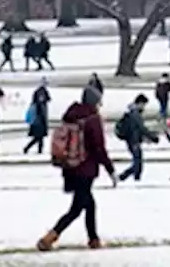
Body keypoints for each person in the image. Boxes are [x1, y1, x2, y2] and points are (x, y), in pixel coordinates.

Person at [38, 86, 116, 251]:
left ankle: (93, 239)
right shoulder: (92, 119)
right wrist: (110, 169)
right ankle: (49, 237)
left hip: (70, 167)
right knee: (77, 208)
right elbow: (98, 148)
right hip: (85, 169)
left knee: (89, 204)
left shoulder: (71, 115)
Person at [117, 95, 160, 183]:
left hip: (132, 140)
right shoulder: (135, 114)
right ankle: (130, 179)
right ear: (140, 103)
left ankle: (125, 178)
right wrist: (153, 137)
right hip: (133, 141)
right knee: (138, 164)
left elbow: (138, 129)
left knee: (137, 163)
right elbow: (142, 128)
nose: (144, 107)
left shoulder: (132, 112)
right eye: (143, 104)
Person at [25, 81, 51, 155]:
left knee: (39, 137)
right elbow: (43, 104)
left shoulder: (39, 93)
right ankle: (29, 148)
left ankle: (39, 150)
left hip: (38, 120)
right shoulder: (41, 94)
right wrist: (43, 119)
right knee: (38, 137)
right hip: (39, 120)